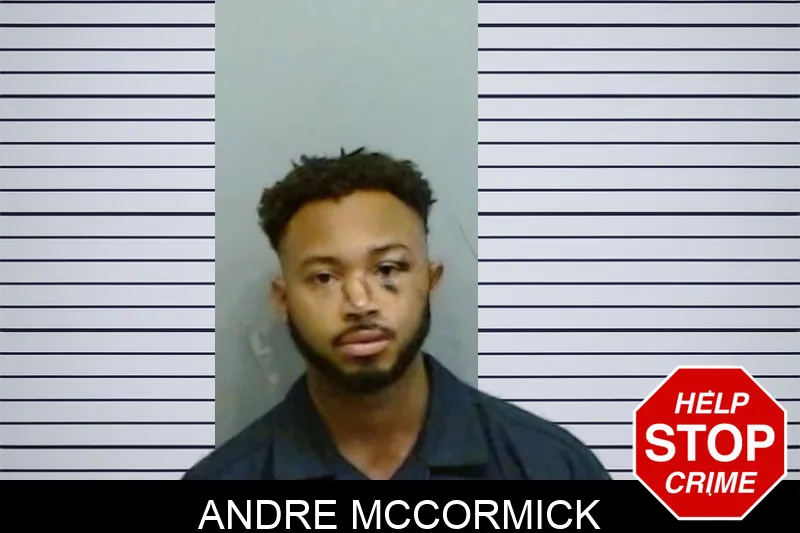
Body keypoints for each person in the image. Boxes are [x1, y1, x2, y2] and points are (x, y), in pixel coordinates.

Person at [183, 147, 610, 480]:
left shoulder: (550, 468)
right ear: (283, 299)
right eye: (324, 277)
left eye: (388, 269)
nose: (359, 303)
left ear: (430, 280)